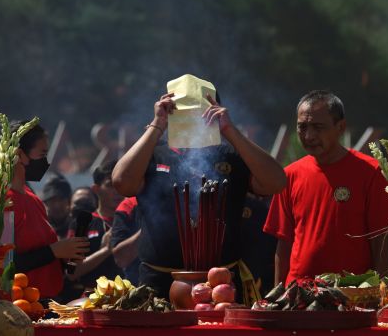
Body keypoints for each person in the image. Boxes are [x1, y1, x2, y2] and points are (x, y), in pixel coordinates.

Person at [112, 91, 286, 296]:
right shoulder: (152, 153)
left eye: (200, 113)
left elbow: (276, 182)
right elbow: (122, 182)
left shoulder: (230, 154)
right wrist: (157, 125)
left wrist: (230, 130)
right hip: (159, 282)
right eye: (183, 112)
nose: (191, 120)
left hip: (221, 283)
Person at [264, 91, 388, 286]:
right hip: (298, 295)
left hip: (350, 295)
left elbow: (380, 240)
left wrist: (380, 292)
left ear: (340, 127)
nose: (309, 136)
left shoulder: (371, 172)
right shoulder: (289, 175)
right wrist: (278, 298)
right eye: (302, 127)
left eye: (318, 128)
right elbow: (283, 243)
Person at [8, 121, 89, 299]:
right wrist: (54, 251)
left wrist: (65, 256)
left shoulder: (32, 198)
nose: (46, 161)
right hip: (21, 305)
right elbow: (5, 263)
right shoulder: (3, 201)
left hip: (48, 301)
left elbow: (44, 254)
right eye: (42, 154)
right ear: (19, 154)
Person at [66, 184, 122, 289]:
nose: (116, 190)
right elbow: (72, 272)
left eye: (119, 185)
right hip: (92, 297)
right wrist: (105, 250)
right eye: (110, 184)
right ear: (97, 189)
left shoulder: (134, 220)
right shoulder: (82, 224)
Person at [110, 197, 141, 283]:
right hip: (140, 286)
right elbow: (121, 259)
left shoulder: (180, 197)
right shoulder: (129, 204)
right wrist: (148, 227)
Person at [41, 174, 73, 239]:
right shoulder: (38, 227)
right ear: (46, 203)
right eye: (52, 200)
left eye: (61, 199)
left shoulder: (79, 226)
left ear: (69, 202)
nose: (57, 205)